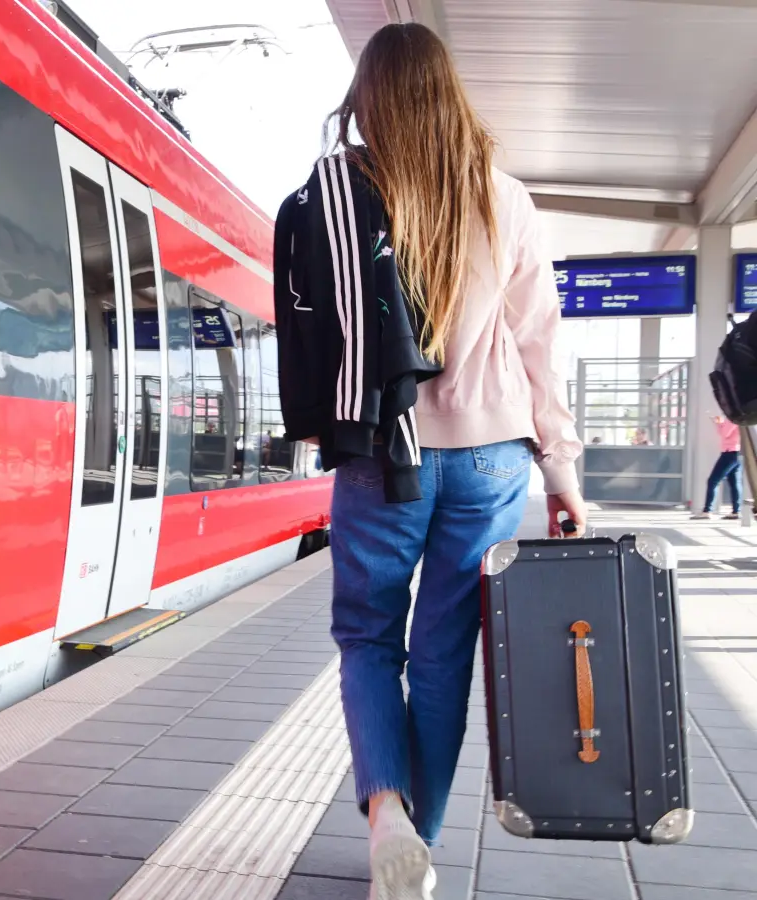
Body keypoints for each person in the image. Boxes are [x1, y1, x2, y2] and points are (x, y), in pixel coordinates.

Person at [315, 24, 586, 900]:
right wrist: (563, 476)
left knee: (367, 639)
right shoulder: (503, 197)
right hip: (490, 462)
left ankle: (385, 810)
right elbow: (540, 347)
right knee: (441, 656)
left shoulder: (339, 194)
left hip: (377, 455)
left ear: (370, 96)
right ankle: (417, 845)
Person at [692, 415, 743, 520]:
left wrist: (721, 423)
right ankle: (736, 511)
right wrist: (719, 424)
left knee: (713, 481)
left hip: (729, 453)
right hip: (737, 453)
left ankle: (707, 511)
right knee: (734, 483)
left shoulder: (733, 419)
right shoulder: (740, 418)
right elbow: (723, 433)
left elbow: (725, 433)